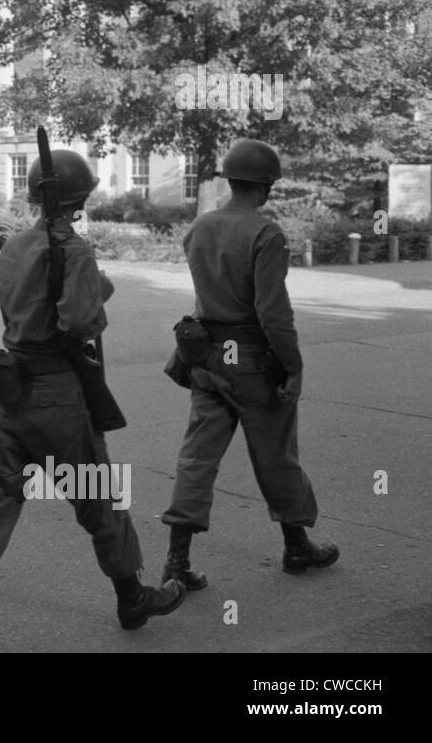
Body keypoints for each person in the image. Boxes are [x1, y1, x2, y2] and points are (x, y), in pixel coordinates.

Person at [0, 149, 185, 651]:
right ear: (78, 200)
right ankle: (131, 596)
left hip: (10, 393)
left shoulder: (13, 246)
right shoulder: (74, 251)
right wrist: (96, 294)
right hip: (57, 394)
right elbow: (79, 321)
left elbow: (16, 298)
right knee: (99, 498)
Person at [160, 139, 338, 588]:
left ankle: (176, 563)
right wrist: (293, 367)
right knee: (276, 454)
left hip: (206, 357)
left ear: (231, 179)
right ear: (266, 187)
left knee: (197, 458)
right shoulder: (266, 234)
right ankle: (296, 546)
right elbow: (273, 313)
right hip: (253, 360)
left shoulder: (200, 226)